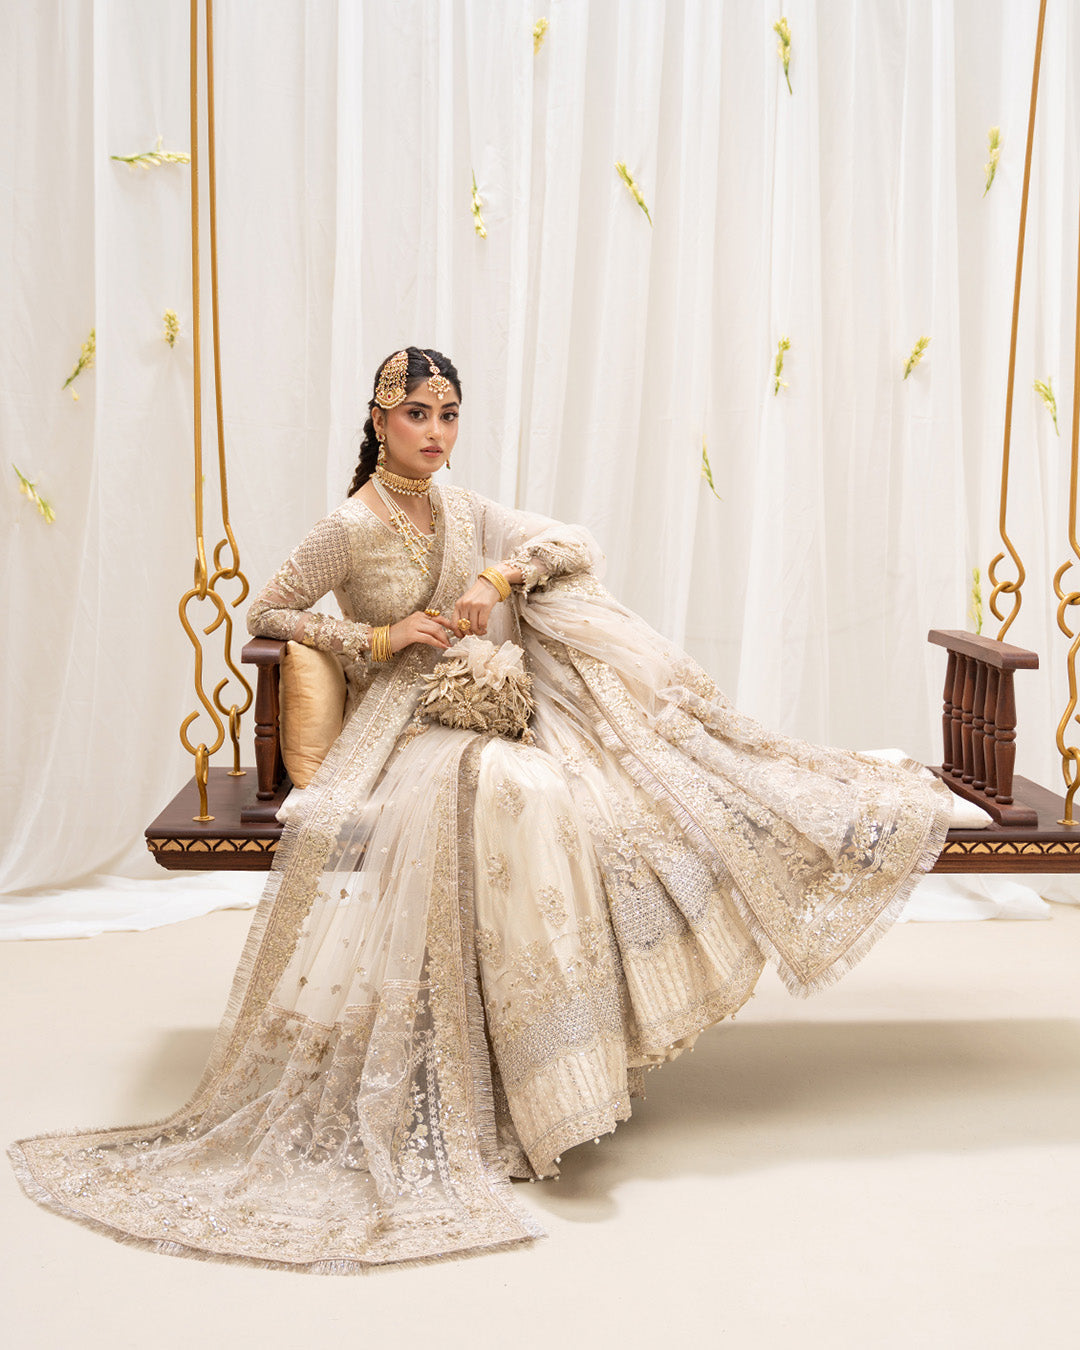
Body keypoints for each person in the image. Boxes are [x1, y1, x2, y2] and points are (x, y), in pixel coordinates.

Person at [9, 346, 952, 1271]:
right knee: (527, 790)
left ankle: (563, 1078)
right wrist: (378, 638)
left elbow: (575, 542)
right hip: (400, 729)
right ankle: (529, 1086)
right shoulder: (350, 524)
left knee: (587, 798)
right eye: (416, 414)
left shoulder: (467, 510)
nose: (435, 432)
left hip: (487, 712)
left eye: (448, 415)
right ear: (379, 420)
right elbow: (269, 612)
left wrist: (496, 578)